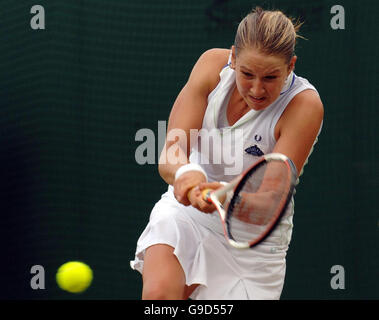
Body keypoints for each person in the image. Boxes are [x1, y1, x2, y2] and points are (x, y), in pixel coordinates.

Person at [130, 7, 324, 300]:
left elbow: (269, 202)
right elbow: (171, 151)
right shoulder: (211, 66)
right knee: (159, 297)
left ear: (291, 66)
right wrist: (186, 173)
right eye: (247, 74)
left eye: (271, 77)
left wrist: (226, 198)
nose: (257, 89)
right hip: (187, 214)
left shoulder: (304, 106)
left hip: (253, 241)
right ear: (233, 57)